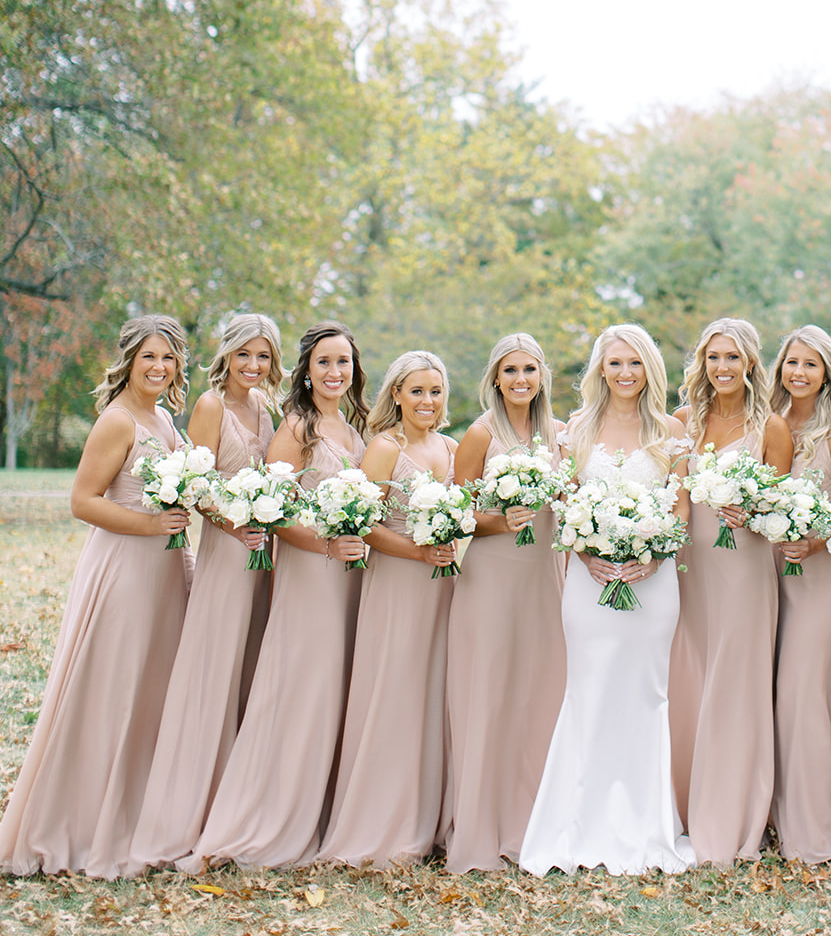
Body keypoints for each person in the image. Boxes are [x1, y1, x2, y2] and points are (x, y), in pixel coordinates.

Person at [0, 315, 190, 878]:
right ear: (128, 360)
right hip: (124, 570)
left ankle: (132, 816)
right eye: (149, 356)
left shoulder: (164, 420)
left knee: (148, 691)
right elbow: (83, 501)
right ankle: (81, 822)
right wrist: (150, 527)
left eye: (169, 358)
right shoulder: (117, 420)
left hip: (163, 570)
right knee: (111, 689)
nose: (159, 367)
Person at [181, 322, 370, 871]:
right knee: (298, 691)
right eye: (324, 363)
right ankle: (262, 819)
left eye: (344, 362)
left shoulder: (352, 427)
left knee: (330, 689)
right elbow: (278, 511)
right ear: (306, 371)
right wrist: (330, 546)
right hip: (312, 572)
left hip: (348, 574)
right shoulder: (296, 427)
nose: (335, 372)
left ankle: (317, 810)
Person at [519, 324, 695, 876]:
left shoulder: (670, 431)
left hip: (654, 580)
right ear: (599, 369)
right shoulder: (576, 430)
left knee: (646, 696)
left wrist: (655, 555)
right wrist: (586, 553)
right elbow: (564, 504)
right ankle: (576, 826)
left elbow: (681, 508)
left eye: (635, 364)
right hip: (588, 583)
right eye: (615, 363)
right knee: (589, 692)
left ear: (650, 370)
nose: (624, 373)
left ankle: (645, 829)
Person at [131, 313, 284, 870]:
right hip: (228, 553)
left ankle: (240, 798)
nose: (253, 365)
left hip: (268, 555)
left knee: (252, 666)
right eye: (245, 354)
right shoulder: (211, 406)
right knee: (215, 668)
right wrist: (232, 522)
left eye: (263, 356)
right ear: (227, 355)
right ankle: (188, 807)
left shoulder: (268, 407)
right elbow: (194, 485)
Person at [319, 351, 458, 866]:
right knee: (392, 694)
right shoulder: (384, 448)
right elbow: (367, 526)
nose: (427, 401)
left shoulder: (450, 447)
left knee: (431, 695)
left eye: (435, 391)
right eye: (416, 391)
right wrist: (417, 551)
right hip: (397, 583)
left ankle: (426, 819)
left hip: (442, 589)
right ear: (396, 394)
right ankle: (377, 824)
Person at [669, 316, 792, 864]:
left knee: (736, 682)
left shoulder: (771, 427)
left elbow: (782, 510)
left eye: (733, 358)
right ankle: (684, 808)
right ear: (702, 362)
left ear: (750, 365)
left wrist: (755, 508)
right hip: (689, 566)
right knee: (691, 678)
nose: (723, 367)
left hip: (743, 566)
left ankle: (734, 814)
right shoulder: (681, 423)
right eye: (714, 357)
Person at [443, 334, 567, 871]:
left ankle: (534, 821)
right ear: (496, 377)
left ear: (543, 376)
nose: (520, 380)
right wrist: (502, 520)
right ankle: (480, 825)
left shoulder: (560, 435)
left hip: (544, 576)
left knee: (541, 691)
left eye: (530, 370)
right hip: (493, 578)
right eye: (510, 370)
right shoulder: (479, 434)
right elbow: (455, 514)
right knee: (490, 691)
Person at [767, 325, 831, 863]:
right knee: (781, 694)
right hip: (775, 576)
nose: (798, 373)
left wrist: (817, 539)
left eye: (810, 364)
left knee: (808, 695)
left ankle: (819, 827)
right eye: (791, 362)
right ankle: (783, 815)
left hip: (825, 578)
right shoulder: (773, 424)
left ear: (826, 372)